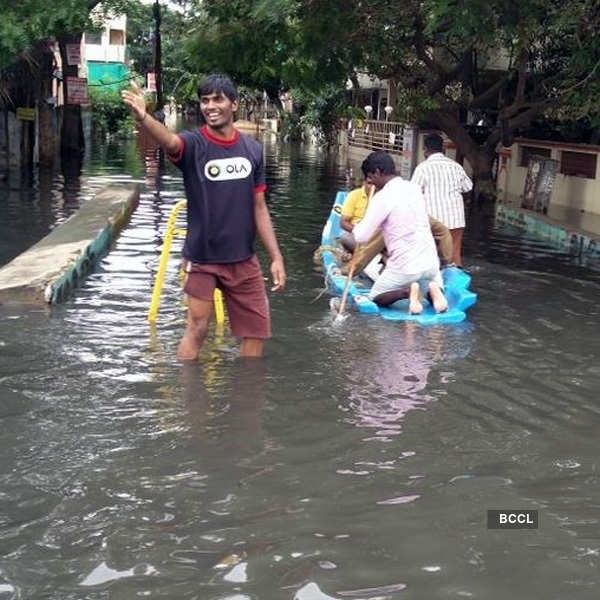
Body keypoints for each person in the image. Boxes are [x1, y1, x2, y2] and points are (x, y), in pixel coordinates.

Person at [122, 74, 286, 360]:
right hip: (203, 258)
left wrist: (276, 257)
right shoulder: (194, 144)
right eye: (205, 100)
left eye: (218, 99)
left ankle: (244, 399)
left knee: (256, 331)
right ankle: (191, 401)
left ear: (233, 105)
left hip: (244, 259)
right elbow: (171, 142)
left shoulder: (253, 151)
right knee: (197, 328)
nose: (210, 106)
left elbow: (259, 207)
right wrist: (144, 118)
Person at [353, 151, 447, 314]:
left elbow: (361, 236)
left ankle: (408, 292)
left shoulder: (383, 197)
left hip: (405, 267)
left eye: (370, 177)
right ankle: (433, 291)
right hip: (431, 263)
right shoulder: (414, 188)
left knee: (376, 297)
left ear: (377, 172)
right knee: (429, 282)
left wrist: (358, 224)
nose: (370, 182)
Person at [411, 133, 473, 267]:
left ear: (425, 150)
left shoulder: (422, 168)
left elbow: (413, 194)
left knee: (432, 256)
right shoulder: (456, 166)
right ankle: (456, 281)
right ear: (443, 148)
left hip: (434, 221)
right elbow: (468, 188)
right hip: (456, 219)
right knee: (455, 255)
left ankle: (434, 284)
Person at [339, 180, 373, 253]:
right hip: (356, 233)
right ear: (364, 183)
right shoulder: (354, 195)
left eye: (374, 184)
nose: (372, 187)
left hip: (376, 235)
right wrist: (359, 230)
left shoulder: (383, 197)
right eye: (369, 183)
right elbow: (343, 222)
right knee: (345, 238)